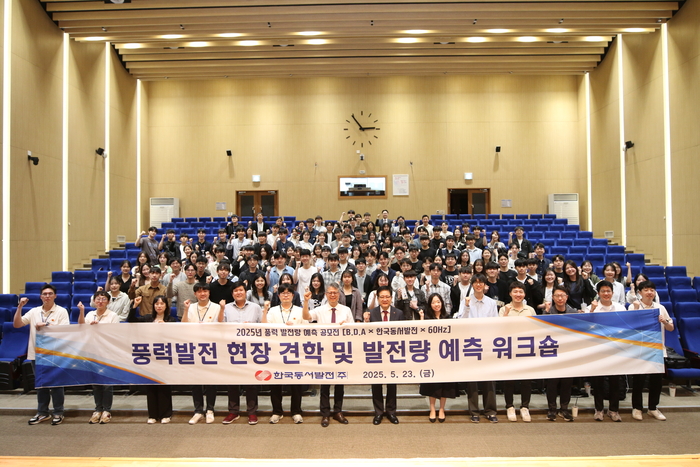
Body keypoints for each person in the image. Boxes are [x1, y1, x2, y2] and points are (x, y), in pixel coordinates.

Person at [14, 284, 70, 425]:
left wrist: (46, 326)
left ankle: (58, 412)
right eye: (44, 294)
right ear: (40, 296)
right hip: (37, 354)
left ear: (55, 296)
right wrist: (19, 307)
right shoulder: (34, 311)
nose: (47, 296)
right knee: (41, 384)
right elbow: (17, 324)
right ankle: (42, 412)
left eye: (50, 293)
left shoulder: (61, 311)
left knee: (56, 385)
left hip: (55, 353)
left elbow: (65, 331)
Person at [302, 282, 354, 426]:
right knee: (325, 384)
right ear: (326, 294)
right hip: (324, 351)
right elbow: (306, 317)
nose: (332, 295)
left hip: (341, 351)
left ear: (339, 294)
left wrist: (346, 326)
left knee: (339, 384)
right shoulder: (320, 310)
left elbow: (353, 329)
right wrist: (306, 302)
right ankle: (325, 414)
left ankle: (338, 411)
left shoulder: (346, 310)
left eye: (335, 293)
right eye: (330, 293)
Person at [629, 281, 674, 421]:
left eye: (652, 290)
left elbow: (671, 328)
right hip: (640, 350)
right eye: (646, 290)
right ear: (640, 292)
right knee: (639, 381)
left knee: (656, 381)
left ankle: (653, 408)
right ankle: (637, 408)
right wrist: (636, 310)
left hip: (657, 350)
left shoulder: (660, 308)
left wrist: (664, 322)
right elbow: (629, 327)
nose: (649, 292)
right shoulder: (633, 306)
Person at [456, 274, 499, 423]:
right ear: (472, 285)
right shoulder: (465, 301)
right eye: (476, 282)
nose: (478, 285)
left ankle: (490, 411)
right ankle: (474, 411)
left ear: (485, 285)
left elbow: (495, 324)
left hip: (487, 344)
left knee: (489, 380)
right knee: (472, 380)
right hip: (471, 344)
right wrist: (467, 306)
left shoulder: (491, 303)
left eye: (481, 282)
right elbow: (461, 322)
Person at [128, 295, 176, 423]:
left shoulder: (171, 320)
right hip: (149, 356)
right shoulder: (147, 318)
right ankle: (153, 415)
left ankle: (166, 414)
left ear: (166, 306)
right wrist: (134, 306)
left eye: (162, 303)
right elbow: (131, 320)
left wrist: (166, 326)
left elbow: (176, 336)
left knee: (164, 385)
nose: (159, 306)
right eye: (157, 304)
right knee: (151, 385)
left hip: (164, 356)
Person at [222, 281, 264, 425]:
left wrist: (251, 327)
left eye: (241, 290)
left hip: (251, 349)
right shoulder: (226, 308)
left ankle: (252, 412)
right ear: (232, 293)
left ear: (246, 292)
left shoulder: (255, 307)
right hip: (232, 349)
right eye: (235, 291)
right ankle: (233, 411)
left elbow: (263, 327)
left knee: (251, 382)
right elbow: (220, 326)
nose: (238, 293)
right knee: (232, 382)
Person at [264, 283, 307, 424]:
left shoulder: (300, 311)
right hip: (276, 351)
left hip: (295, 351)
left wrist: (295, 328)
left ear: (293, 296)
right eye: (283, 293)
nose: (286, 295)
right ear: (279, 296)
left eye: (289, 293)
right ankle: (277, 411)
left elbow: (307, 329)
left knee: (296, 383)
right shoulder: (273, 311)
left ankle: (296, 411)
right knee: (276, 382)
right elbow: (266, 328)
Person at [182, 283, 224, 424]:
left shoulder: (216, 307)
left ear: (209, 293)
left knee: (210, 381)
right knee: (195, 382)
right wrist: (185, 310)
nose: (202, 294)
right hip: (194, 348)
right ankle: (198, 411)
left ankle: (210, 409)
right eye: (199, 291)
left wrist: (222, 309)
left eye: (205, 291)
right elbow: (183, 326)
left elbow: (221, 325)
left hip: (211, 348)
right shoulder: (191, 307)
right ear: (195, 294)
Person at [363, 286, 404, 425]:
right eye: (382, 297)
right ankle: (378, 412)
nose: (385, 299)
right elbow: (366, 334)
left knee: (392, 384)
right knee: (376, 384)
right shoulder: (371, 313)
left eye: (387, 297)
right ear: (378, 298)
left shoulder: (398, 313)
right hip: (377, 353)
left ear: (391, 298)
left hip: (393, 353)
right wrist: (365, 322)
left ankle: (391, 412)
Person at [77, 290, 120, 424]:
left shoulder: (113, 316)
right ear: (94, 301)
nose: (100, 301)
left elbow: (115, 334)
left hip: (107, 353)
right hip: (92, 352)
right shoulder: (90, 314)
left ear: (108, 302)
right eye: (98, 299)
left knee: (106, 384)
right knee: (96, 384)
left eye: (103, 299)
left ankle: (107, 410)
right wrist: (82, 312)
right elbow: (81, 327)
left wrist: (99, 327)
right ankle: (98, 409)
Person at [587, 280, 627, 422]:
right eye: (603, 291)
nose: (606, 294)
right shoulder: (592, 308)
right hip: (598, 350)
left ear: (613, 293)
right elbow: (586, 328)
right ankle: (599, 410)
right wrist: (592, 311)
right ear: (598, 293)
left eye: (608, 291)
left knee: (615, 381)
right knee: (598, 382)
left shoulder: (620, 308)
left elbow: (626, 326)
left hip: (616, 350)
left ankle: (613, 410)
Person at [499, 282, 537, 423]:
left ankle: (524, 407)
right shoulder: (503, 309)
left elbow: (536, 329)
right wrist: (506, 314)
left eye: (521, 292)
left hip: (526, 348)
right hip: (509, 348)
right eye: (515, 292)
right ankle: (509, 406)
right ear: (510, 293)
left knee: (526, 380)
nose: (518, 294)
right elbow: (499, 329)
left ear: (524, 294)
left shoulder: (530, 310)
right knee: (509, 380)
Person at [419, 294, 459, 422]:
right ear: (430, 305)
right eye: (433, 302)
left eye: (438, 302)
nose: (436, 304)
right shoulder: (427, 318)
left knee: (444, 384)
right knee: (432, 383)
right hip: (431, 356)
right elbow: (421, 334)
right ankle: (432, 409)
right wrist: (421, 319)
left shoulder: (448, 318)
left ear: (442, 303)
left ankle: (441, 409)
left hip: (445, 356)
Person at [545, 285, 578, 421]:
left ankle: (564, 408)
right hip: (552, 352)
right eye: (557, 296)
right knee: (552, 383)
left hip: (568, 353)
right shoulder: (548, 312)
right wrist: (546, 313)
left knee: (566, 383)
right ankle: (552, 409)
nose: (560, 298)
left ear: (566, 297)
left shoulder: (573, 313)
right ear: (553, 298)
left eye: (562, 295)